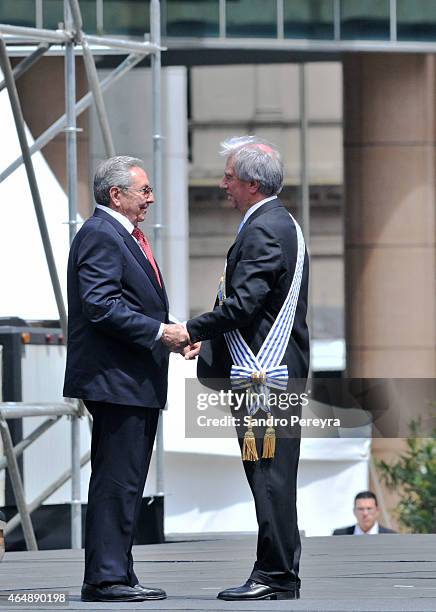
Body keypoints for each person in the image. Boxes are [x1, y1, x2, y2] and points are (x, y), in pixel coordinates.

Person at [185, 136, 310, 601]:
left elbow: (243, 304)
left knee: (268, 473)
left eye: (230, 178)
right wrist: (212, 341)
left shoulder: (262, 229)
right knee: (269, 472)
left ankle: (276, 574)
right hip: (271, 372)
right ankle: (276, 569)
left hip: (264, 378)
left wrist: (189, 329)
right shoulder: (279, 222)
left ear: (253, 184)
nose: (223, 185)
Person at [63, 156, 188, 603]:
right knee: (117, 480)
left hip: (131, 377)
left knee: (127, 479)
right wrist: (160, 333)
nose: (150, 199)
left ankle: (118, 570)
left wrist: (171, 330)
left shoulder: (120, 235)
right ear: (116, 195)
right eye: (144, 191)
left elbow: (136, 300)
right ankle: (105, 577)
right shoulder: (101, 234)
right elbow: (100, 304)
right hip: (115, 379)